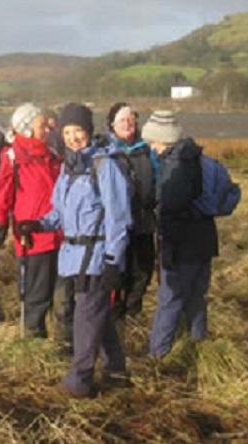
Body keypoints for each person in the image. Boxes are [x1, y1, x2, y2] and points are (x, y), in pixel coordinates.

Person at [22, 103, 131, 398]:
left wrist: (113, 260)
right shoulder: (68, 169)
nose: (73, 138)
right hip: (72, 257)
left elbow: (119, 217)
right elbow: (59, 213)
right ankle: (116, 370)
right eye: (67, 132)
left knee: (86, 316)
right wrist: (37, 224)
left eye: (78, 131)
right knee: (98, 314)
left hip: (97, 256)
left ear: (89, 131)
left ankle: (79, 381)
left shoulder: (105, 166)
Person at [143, 111, 218, 358]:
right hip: (204, 240)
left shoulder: (175, 167)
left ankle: (158, 353)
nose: (152, 148)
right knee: (196, 296)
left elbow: (171, 214)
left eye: (153, 141)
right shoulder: (196, 157)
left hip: (182, 246)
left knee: (170, 299)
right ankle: (198, 344)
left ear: (165, 139)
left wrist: (166, 252)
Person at [0, 103, 63, 338]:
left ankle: (63, 341)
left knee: (62, 296)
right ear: (27, 129)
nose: (47, 130)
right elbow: (2, 194)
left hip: (61, 235)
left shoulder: (53, 155)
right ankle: (33, 339)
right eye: (42, 126)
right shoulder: (13, 158)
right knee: (36, 295)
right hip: (32, 237)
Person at [106, 102, 157, 318]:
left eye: (131, 119)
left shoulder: (147, 150)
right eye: (122, 120)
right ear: (112, 125)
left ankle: (133, 313)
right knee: (119, 273)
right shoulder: (106, 152)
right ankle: (115, 318)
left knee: (142, 271)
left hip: (143, 223)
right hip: (117, 227)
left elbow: (157, 180)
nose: (128, 124)